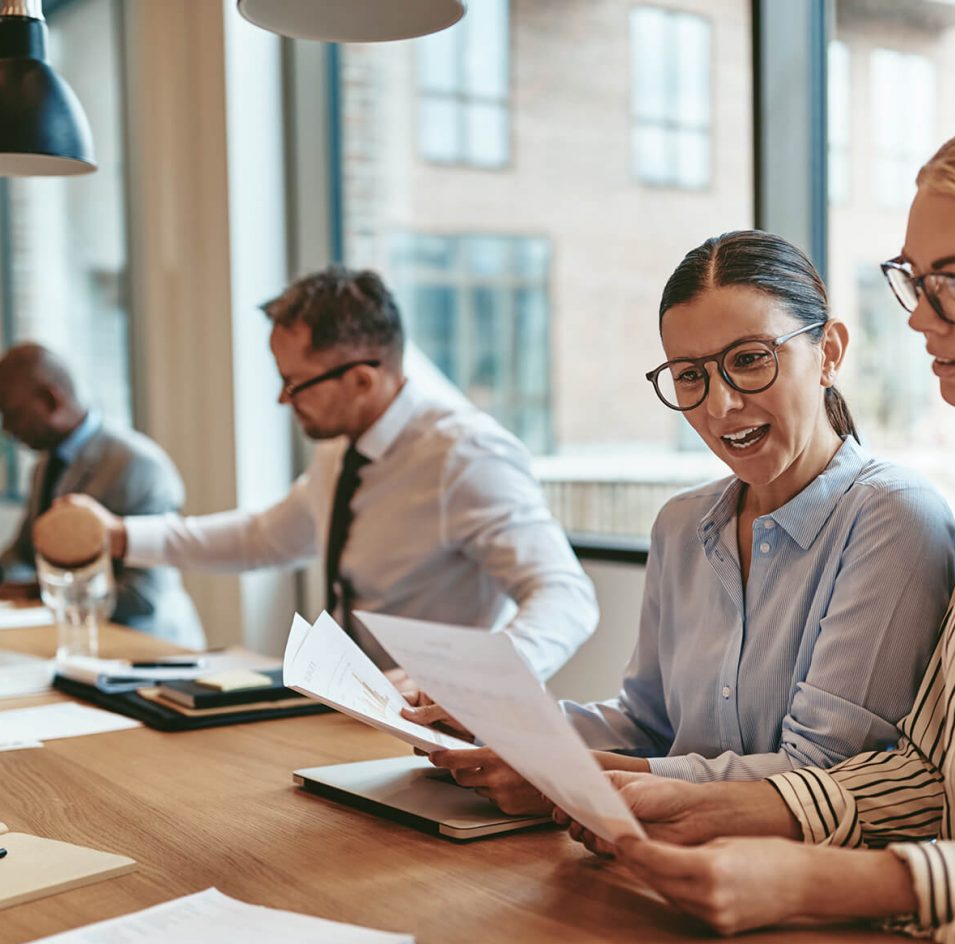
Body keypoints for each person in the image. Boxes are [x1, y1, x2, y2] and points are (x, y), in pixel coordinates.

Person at [566, 99, 955, 944]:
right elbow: (929, 772)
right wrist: (718, 804)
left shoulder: (904, 510)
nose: (917, 316)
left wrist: (819, 875)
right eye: (914, 282)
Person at [414, 231, 955, 813]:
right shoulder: (682, 524)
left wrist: (570, 776)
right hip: (659, 854)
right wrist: (505, 722)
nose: (719, 405)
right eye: (690, 375)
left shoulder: (892, 515)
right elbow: (647, 723)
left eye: (749, 360)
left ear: (829, 352)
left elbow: (823, 773)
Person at [67, 268, 597, 682]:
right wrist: (120, 536)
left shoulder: (464, 455)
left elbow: (564, 596)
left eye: (295, 384)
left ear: (363, 379)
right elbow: (264, 538)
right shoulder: (344, 450)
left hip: (449, 737)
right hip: (355, 711)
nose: (282, 399)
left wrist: (470, 684)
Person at [0, 343, 205, 648]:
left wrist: (39, 592)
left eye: (13, 414)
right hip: (79, 646)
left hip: (149, 650)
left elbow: (142, 597)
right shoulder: (45, 466)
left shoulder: (137, 464)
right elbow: (25, 553)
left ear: (50, 399)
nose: (7, 428)